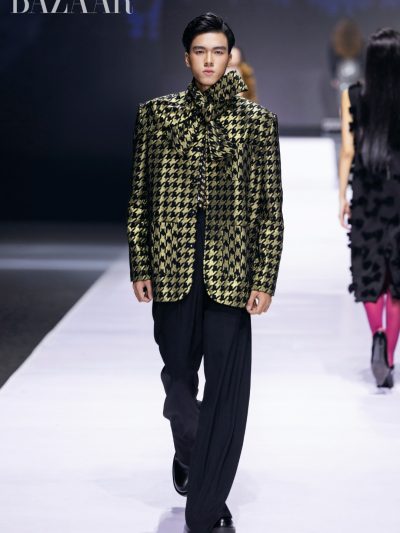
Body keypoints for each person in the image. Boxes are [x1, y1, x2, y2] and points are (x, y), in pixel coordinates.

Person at [127, 12, 284, 532]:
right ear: (187, 57)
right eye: (201, 51)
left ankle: (209, 496)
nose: (210, 60)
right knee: (178, 384)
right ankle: (191, 451)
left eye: (218, 51)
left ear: (230, 56)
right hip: (172, 266)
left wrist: (264, 278)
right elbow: (140, 198)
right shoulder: (156, 116)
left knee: (224, 390)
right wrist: (140, 262)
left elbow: (270, 210)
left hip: (231, 271)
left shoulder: (257, 123)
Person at [338, 28, 400, 389]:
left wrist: (342, 197)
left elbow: (348, 150)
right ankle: (388, 357)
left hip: (368, 192)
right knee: (397, 282)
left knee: (370, 271)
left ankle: (376, 333)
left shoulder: (353, 95)